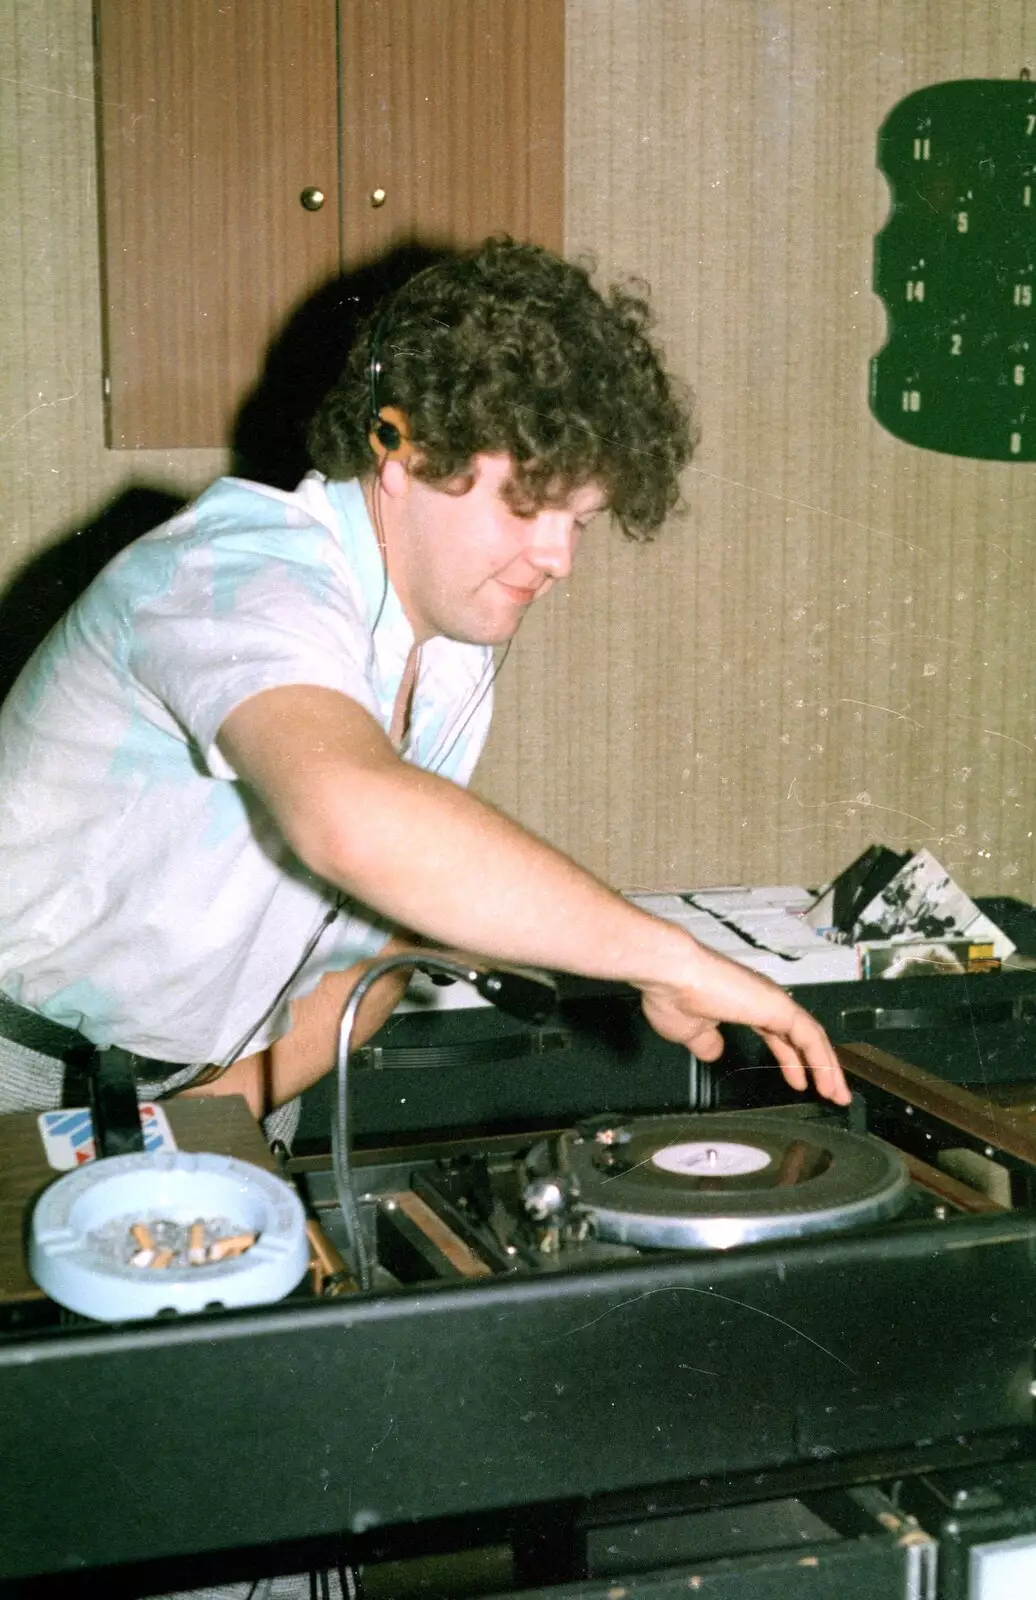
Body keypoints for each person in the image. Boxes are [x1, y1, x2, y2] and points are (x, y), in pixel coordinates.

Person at [0, 236, 849, 1153]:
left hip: (211, 1096)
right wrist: (668, 958)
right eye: (526, 505)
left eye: (580, 520)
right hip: (26, 1076)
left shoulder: (449, 650)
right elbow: (355, 822)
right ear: (399, 447)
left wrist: (219, 1116)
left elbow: (381, 953)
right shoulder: (234, 576)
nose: (559, 559)